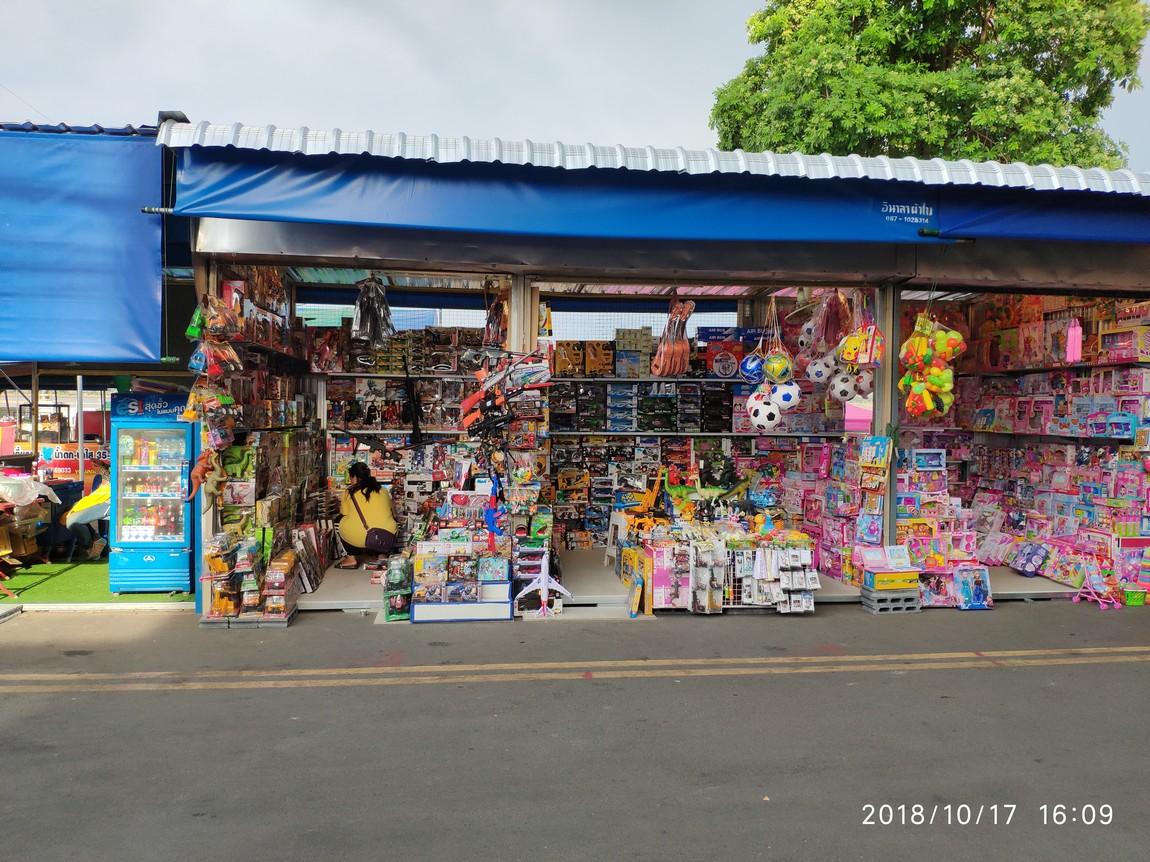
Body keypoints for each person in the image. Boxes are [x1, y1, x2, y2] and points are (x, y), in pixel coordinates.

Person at [337, 462, 397, 569]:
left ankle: (351, 558)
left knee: (340, 522)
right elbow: (391, 510)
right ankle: (382, 555)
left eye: (351, 478)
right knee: (385, 521)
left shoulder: (349, 492)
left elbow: (344, 513)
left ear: (354, 477)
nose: (351, 481)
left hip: (361, 536)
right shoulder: (383, 490)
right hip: (386, 535)